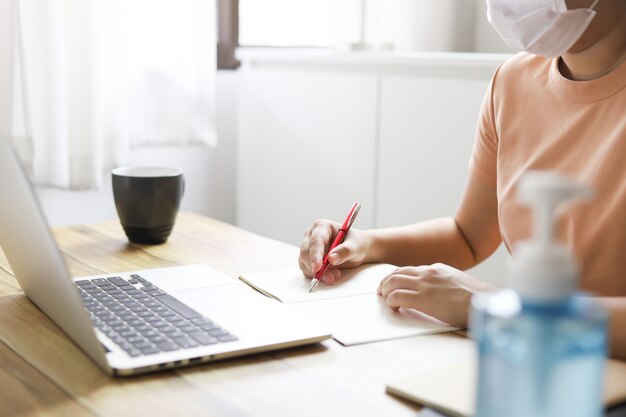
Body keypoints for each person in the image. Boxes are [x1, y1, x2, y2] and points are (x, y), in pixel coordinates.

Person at [298, 0, 626, 359]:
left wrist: (496, 306)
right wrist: (363, 245)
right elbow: (468, 236)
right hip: (532, 359)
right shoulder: (513, 82)